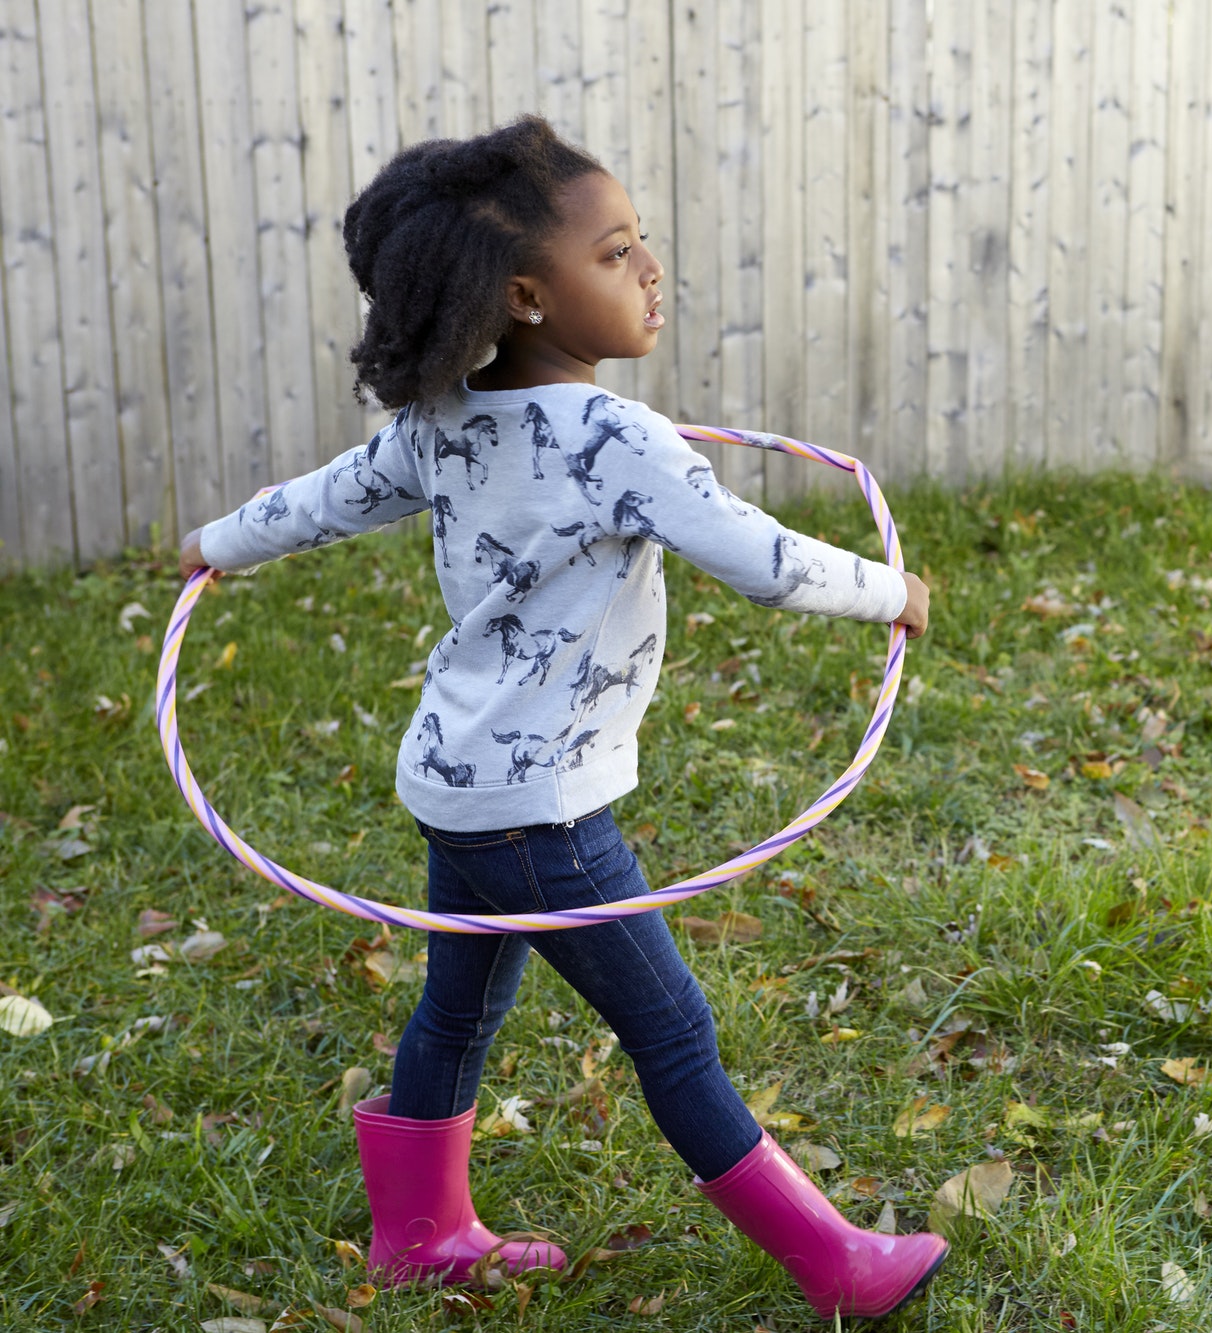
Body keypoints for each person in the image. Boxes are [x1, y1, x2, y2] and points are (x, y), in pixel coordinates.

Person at [176, 116, 945, 1319]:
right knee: (674, 1036)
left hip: (454, 780)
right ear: (528, 295)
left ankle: (419, 1234)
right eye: (617, 251)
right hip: (546, 812)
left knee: (458, 1004)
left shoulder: (435, 427)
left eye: (644, 243)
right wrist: (891, 592)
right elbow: (764, 560)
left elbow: (317, 502)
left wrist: (213, 543)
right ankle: (833, 1262)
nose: (650, 270)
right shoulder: (618, 439)